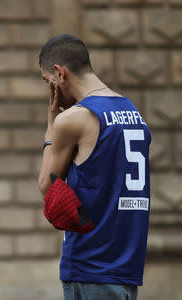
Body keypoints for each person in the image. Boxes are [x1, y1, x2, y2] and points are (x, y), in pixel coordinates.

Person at [37, 34, 151, 300]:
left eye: (47, 81)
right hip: (126, 267)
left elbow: (47, 188)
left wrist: (51, 125)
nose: (50, 89)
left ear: (59, 73)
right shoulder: (134, 112)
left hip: (90, 267)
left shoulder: (73, 119)